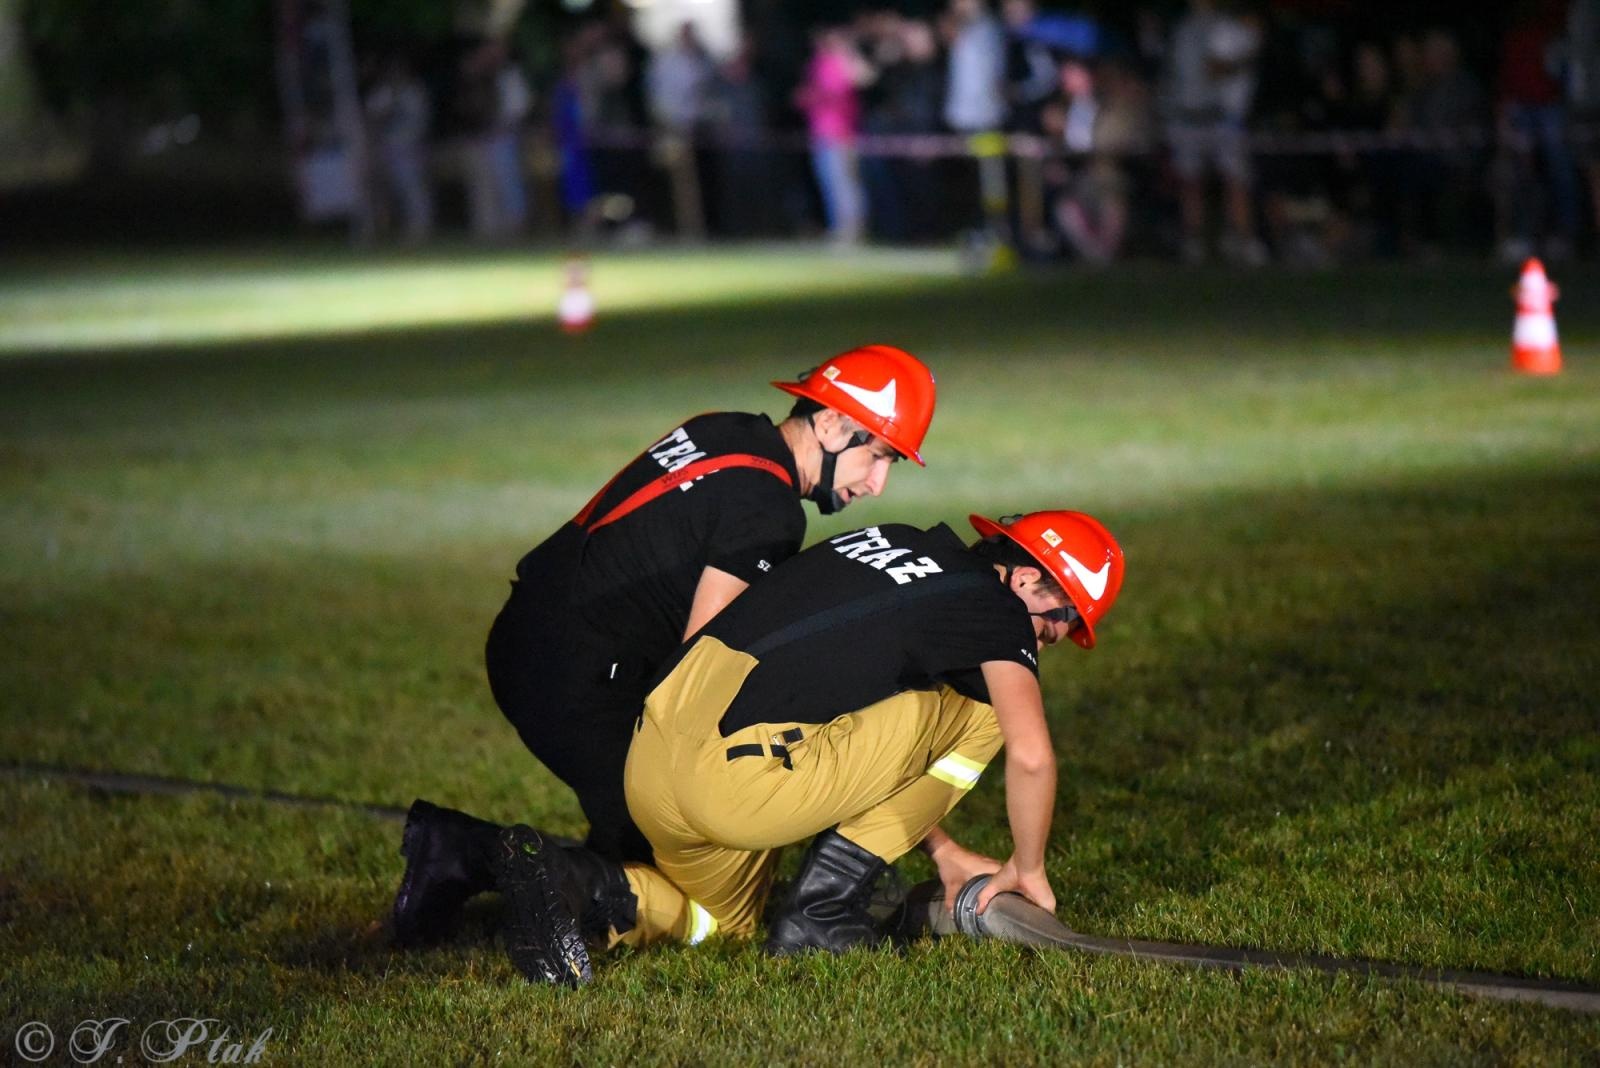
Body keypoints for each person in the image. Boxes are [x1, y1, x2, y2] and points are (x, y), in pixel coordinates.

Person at [392, 346, 939, 946]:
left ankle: (458, 854)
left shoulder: (726, 430)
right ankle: (473, 858)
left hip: (532, 634)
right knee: (688, 857)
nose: (879, 483)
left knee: (638, 837)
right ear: (832, 423)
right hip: (579, 673)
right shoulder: (769, 509)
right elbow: (701, 664)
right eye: (879, 454)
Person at [489, 509, 1126, 985]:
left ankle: (575, 880)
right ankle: (825, 907)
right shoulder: (997, 612)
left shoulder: (893, 538)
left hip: (651, 757)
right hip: (737, 786)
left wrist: (945, 849)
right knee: (988, 710)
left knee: (720, 925)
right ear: (1022, 575)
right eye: (1060, 615)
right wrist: (1028, 868)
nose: (1053, 636)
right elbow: (1032, 754)